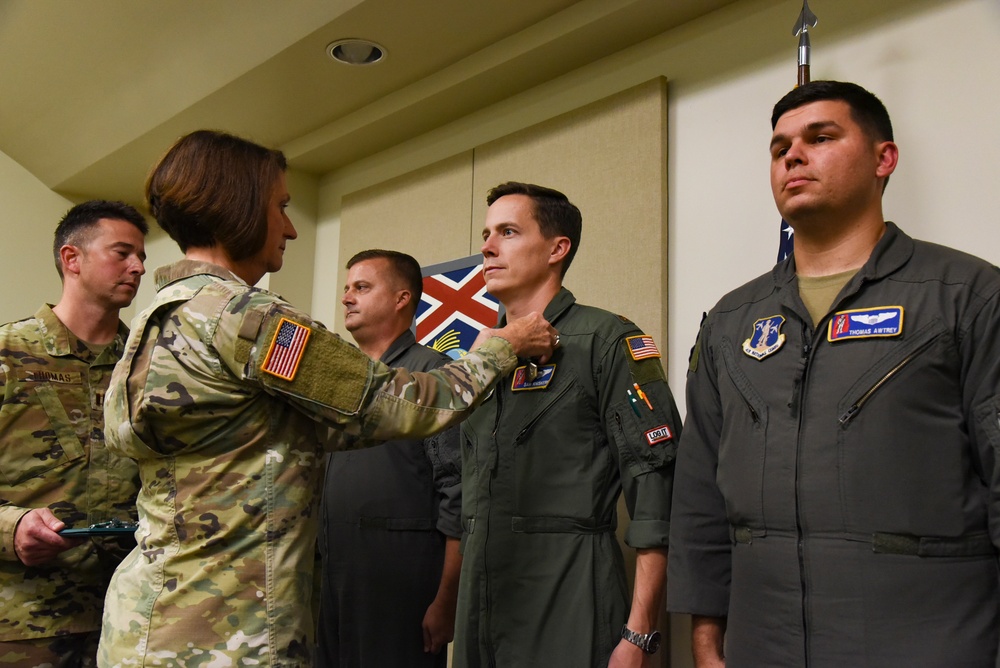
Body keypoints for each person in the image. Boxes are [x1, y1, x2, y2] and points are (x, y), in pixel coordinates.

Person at [96, 130, 556, 668]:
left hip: (148, 621)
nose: (290, 227)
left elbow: (293, 431)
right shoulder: (247, 317)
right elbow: (397, 402)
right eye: (281, 206)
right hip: (225, 637)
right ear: (240, 207)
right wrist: (501, 348)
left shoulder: (161, 316)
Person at [667, 80, 1000, 667]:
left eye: (820, 137)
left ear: (883, 158)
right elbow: (698, 495)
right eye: (779, 148)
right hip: (761, 642)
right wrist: (704, 634)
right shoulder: (730, 321)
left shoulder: (965, 296)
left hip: (931, 640)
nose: (792, 155)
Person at [455, 182, 682, 668]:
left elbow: (656, 490)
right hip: (482, 605)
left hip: (569, 600)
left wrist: (640, 635)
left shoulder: (605, 339)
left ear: (558, 248)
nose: (488, 247)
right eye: (486, 233)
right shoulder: (482, 356)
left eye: (508, 232)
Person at [0, 200, 147, 666]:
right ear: (72, 259)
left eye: (141, 256)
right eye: (122, 252)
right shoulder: (8, 355)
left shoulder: (148, 366)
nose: (138, 266)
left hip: (129, 619)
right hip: (25, 626)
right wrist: (12, 527)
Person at [317, 249, 463, 667]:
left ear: (402, 299)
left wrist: (446, 600)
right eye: (347, 288)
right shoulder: (342, 383)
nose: (347, 297)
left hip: (403, 594)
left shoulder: (431, 379)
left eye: (361, 287)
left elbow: (459, 494)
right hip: (335, 585)